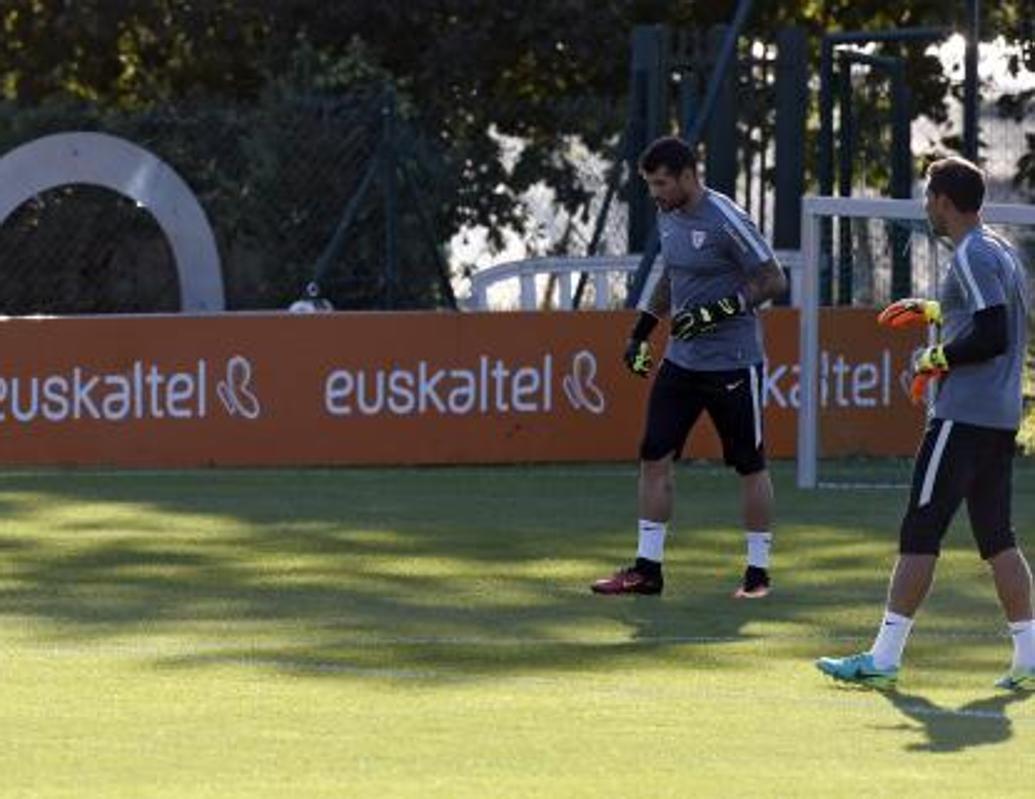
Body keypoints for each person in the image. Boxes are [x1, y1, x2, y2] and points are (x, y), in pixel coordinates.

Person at [817, 156, 1035, 690]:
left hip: (963, 417)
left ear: (942, 201)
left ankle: (884, 658)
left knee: (920, 530)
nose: (924, 207)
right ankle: (1030, 659)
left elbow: (991, 336)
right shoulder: (998, 250)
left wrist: (935, 359)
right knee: (997, 539)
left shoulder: (971, 255)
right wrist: (936, 311)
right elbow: (990, 318)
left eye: (927, 196)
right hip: (998, 417)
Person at [591, 135, 787, 598]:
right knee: (653, 456)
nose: (655, 194)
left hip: (734, 365)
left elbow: (772, 279)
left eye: (661, 183)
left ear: (687, 176)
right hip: (681, 362)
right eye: (650, 185)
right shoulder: (668, 214)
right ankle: (647, 569)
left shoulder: (725, 219)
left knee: (750, 466)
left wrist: (716, 312)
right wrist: (641, 330)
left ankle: (758, 574)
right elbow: (672, 277)